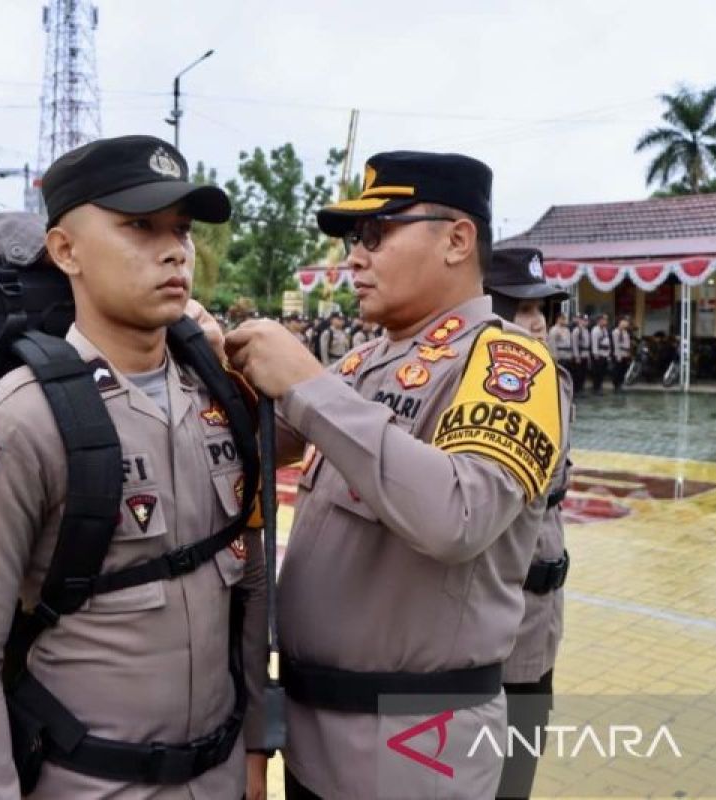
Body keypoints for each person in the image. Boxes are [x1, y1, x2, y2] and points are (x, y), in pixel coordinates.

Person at [0, 135, 269, 799]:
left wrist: (258, 748)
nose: (174, 250)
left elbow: (248, 583)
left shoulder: (220, 399)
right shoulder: (15, 424)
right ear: (65, 250)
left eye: (181, 229)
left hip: (220, 776)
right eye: (139, 226)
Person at [225, 151, 565, 799]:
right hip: (310, 733)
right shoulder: (363, 361)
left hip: (413, 749)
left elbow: (456, 517)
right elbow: (257, 447)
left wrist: (306, 383)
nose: (355, 257)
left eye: (377, 234)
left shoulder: (505, 364)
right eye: (356, 239)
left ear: (457, 240)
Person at [484, 248, 573, 800]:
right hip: (487, 621)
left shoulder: (554, 381)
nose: (537, 321)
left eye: (544, 309)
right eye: (520, 308)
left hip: (540, 615)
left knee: (520, 763)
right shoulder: (476, 384)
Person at [589, 313, 611, 395]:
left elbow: (607, 342)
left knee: (602, 372)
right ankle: (596, 388)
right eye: (604, 320)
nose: (605, 321)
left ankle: (599, 387)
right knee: (597, 372)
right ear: (599, 321)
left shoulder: (605, 330)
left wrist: (608, 354)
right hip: (598, 355)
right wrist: (595, 354)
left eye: (606, 320)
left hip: (605, 354)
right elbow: (594, 343)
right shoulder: (595, 330)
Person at [612, 316, 633, 392]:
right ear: (620, 323)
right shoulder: (616, 332)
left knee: (623, 370)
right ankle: (616, 385)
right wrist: (618, 356)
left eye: (627, 322)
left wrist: (628, 353)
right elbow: (616, 345)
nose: (626, 324)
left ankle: (620, 383)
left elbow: (627, 344)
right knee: (617, 370)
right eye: (624, 322)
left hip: (625, 354)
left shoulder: (626, 332)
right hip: (619, 354)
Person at [571, 314, 591, 394]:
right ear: (580, 321)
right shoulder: (576, 330)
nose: (586, 322)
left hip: (585, 354)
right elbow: (574, 344)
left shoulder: (586, 331)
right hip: (579, 355)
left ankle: (581, 388)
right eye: (584, 320)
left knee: (583, 373)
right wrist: (577, 356)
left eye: (587, 320)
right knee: (578, 374)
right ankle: (577, 389)